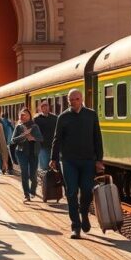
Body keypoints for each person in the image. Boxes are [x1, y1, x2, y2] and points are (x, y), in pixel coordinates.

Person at [49, 89, 104, 240]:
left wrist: (99, 159)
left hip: (88, 161)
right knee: (71, 192)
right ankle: (75, 227)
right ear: (68, 101)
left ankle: (84, 213)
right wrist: (53, 158)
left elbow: (97, 137)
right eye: (71, 100)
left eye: (76, 99)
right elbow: (57, 139)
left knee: (87, 190)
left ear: (82, 99)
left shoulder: (91, 115)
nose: (73, 102)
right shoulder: (63, 117)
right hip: (68, 161)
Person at [11, 107, 43, 202]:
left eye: (25, 115)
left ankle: (32, 190)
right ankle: (26, 195)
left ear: (29, 116)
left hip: (33, 153)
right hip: (21, 153)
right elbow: (13, 140)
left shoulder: (34, 126)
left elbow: (41, 138)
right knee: (24, 173)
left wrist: (32, 138)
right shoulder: (18, 127)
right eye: (21, 115)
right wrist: (23, 135)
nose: (23, 116)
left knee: (33, 174)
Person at [33, 99, 57, 172]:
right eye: (43, 106)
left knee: (53, 166)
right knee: (44, 167)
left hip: (53, 146)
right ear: (40, 108)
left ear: (49, 107)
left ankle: (51, 181)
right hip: (42, 146)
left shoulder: (55, 118)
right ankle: (44, 182)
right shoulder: (36, 119)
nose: (45, 107)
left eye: (46, 106)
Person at [0, 111, 16, 175]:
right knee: (6, 154)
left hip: (1, 141)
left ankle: (3, 168)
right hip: (6, 141)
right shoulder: (9, 122)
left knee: (1, 155)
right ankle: (9, 168)